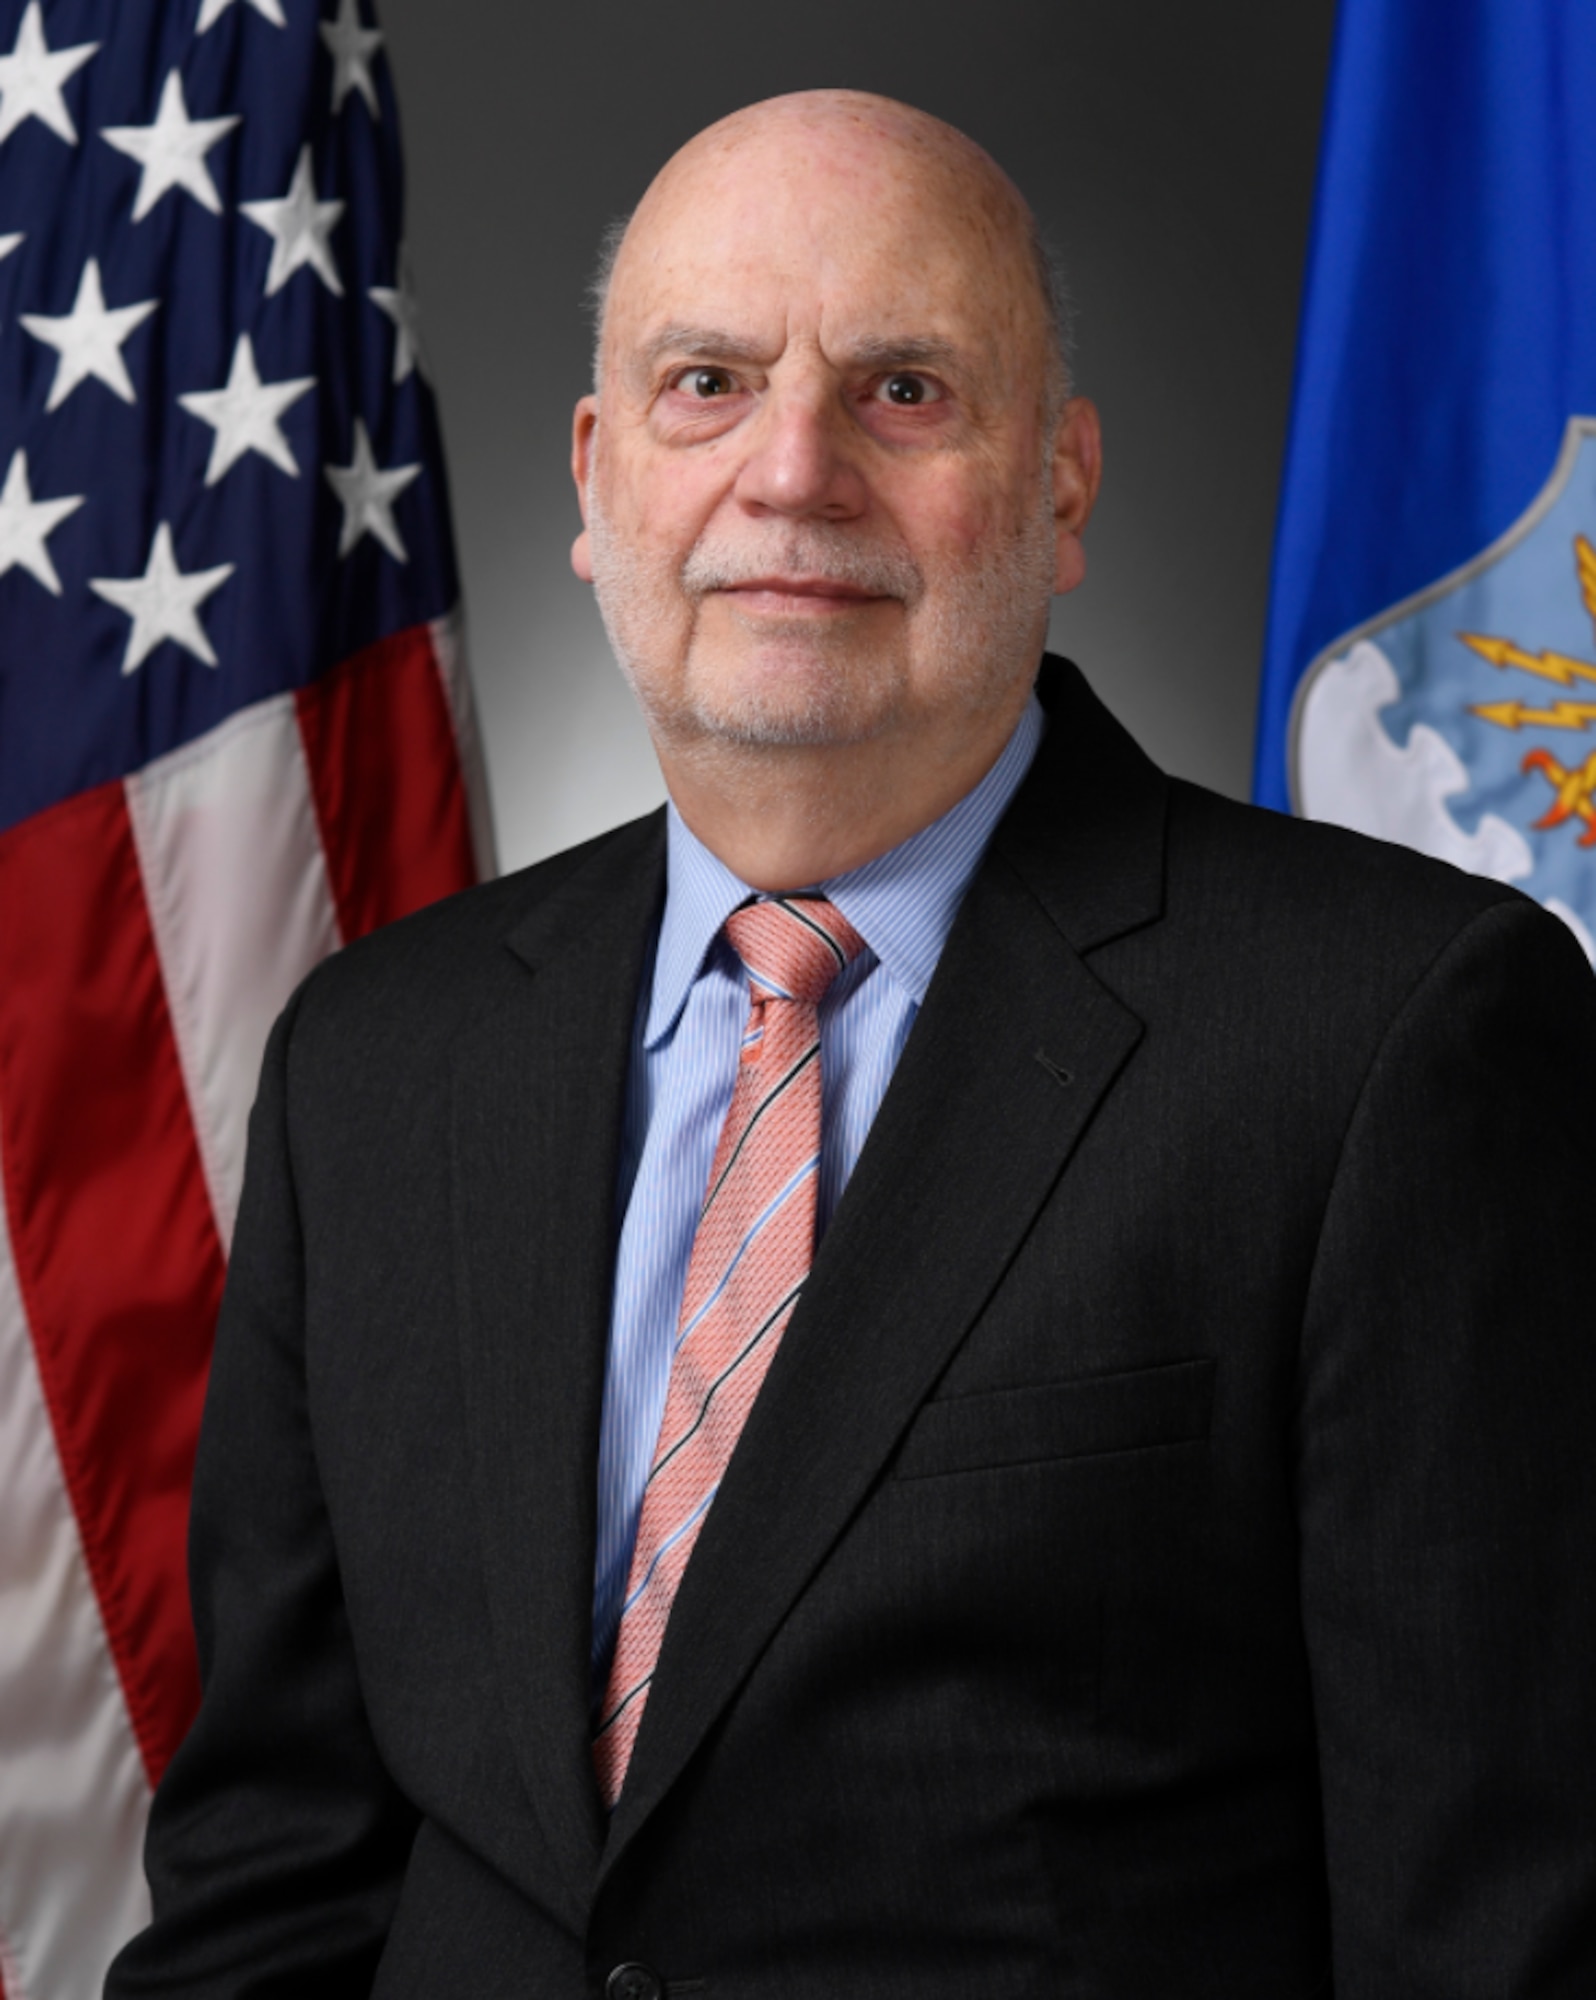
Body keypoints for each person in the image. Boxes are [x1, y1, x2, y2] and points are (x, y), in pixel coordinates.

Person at [109, 91, 1596, 2000]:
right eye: (706, 382)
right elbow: (271, 1885)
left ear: (1060, 488)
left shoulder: (1398, 1034)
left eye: (903, 390)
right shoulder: (374, 1065)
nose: (789, 470)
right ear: (596, 478)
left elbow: (1495, 1934)